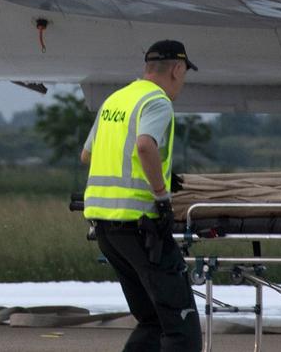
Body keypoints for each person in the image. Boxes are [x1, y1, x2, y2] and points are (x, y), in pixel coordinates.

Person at [81, 40, 202, 352]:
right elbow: (145, 145)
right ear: (177, 69)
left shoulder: (116, 100)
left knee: (152, 321)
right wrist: (161, 194)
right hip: (142, 227)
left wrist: (150, 170)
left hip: (107, 229)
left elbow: (87, 154)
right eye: (185, 74)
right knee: (181, 325)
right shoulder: (156, 101)